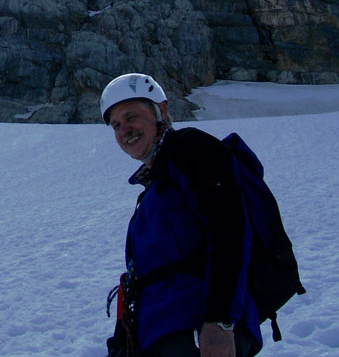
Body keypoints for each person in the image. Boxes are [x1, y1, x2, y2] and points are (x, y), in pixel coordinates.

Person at [102, 73, 261, 357]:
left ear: (160, 111)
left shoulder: (192, 148)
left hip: (196, 334)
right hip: (165, 333)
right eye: (116, 125)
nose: (125, 129)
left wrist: (219, 322)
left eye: (131, 117)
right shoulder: (157, 185)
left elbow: (230, 229)